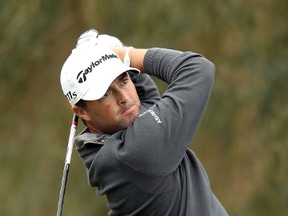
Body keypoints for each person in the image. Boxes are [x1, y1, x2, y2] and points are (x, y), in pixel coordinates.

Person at [60, 29, 228, 216]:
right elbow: (197, 69)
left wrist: (108, 56)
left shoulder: (104, 147)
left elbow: (145, 100)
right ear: (81, 112)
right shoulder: (138, 151)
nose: (124, 97)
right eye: (105, 93)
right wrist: (124, 54)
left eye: (123, 80)